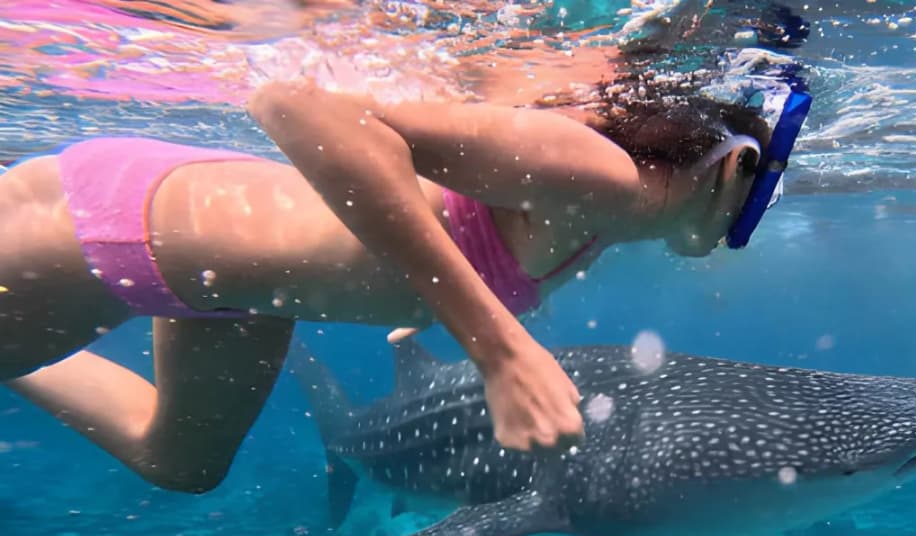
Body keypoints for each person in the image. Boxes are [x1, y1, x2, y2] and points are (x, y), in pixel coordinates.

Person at [0, 18, 781, 496]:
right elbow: (293, 105)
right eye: (764, 199)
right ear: (735, 167)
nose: (741, 234)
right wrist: (498, 349)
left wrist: (410, 304)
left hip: (226, 289)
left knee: (182, 463)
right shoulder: (607, 176)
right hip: (105, 228)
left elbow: (446, 234)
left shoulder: (605, 218)